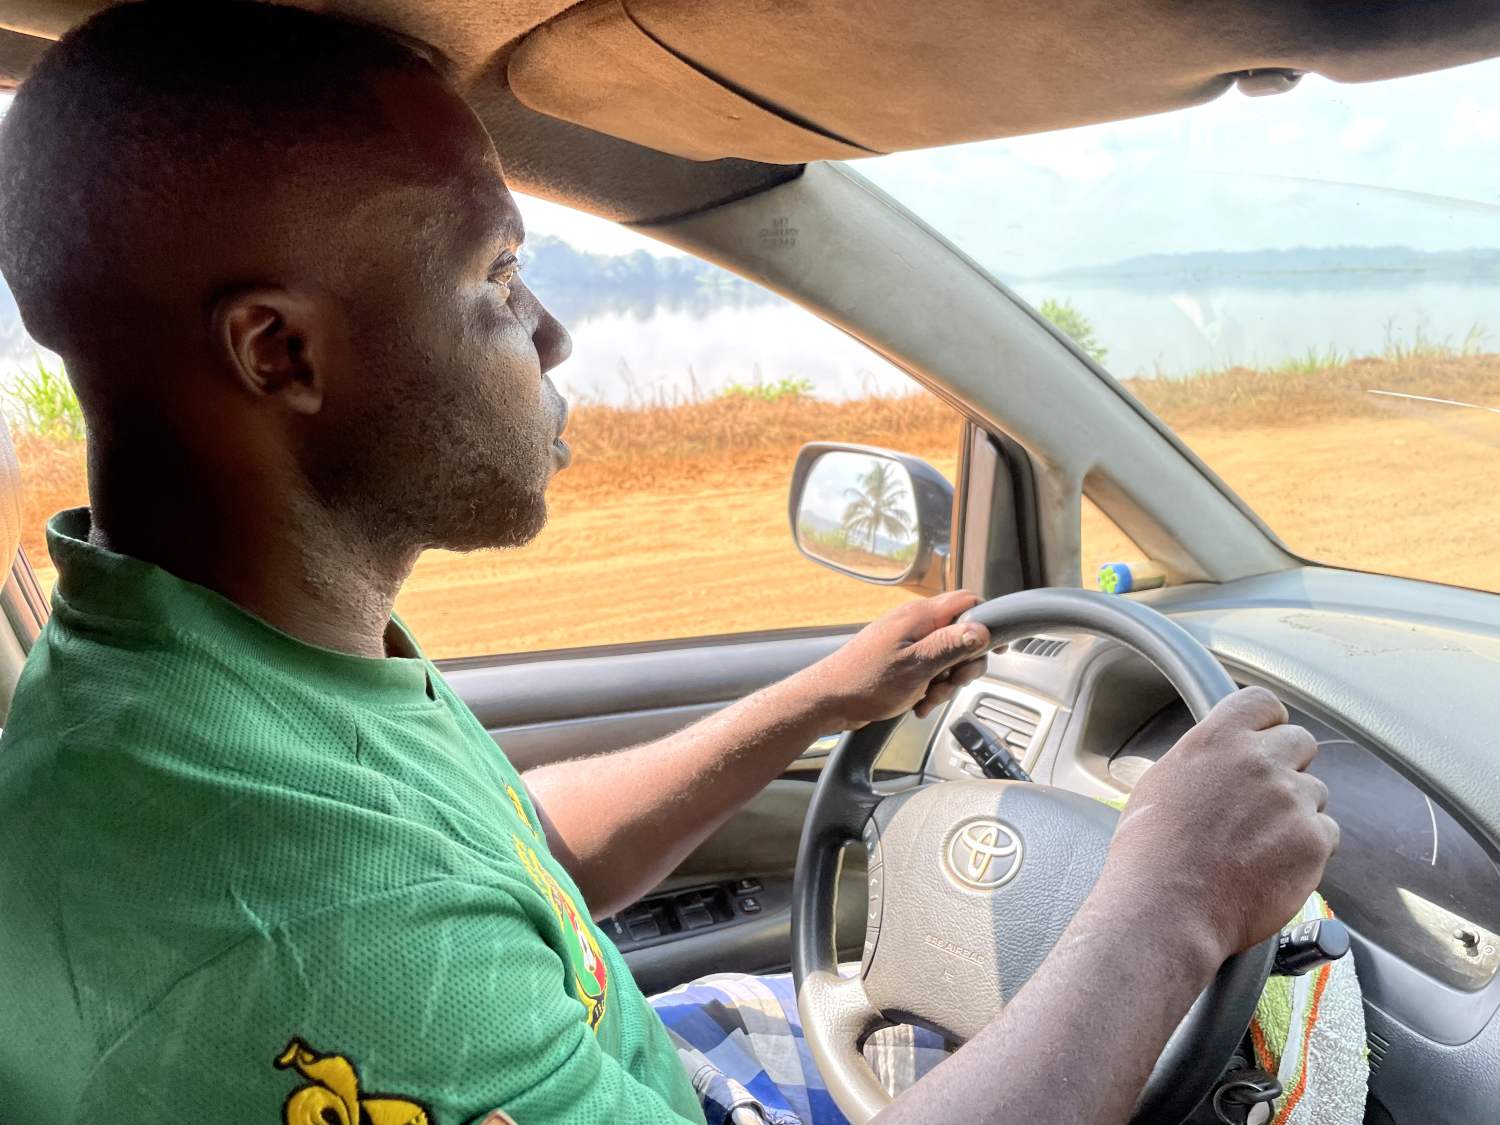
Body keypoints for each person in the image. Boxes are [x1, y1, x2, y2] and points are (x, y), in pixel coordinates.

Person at [0, 3, 1339, 1123]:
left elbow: (520, 858)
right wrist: (1165, 902)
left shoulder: (203, 662)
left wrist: (819, 699)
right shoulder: (305, 930)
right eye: (499, 270)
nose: (555, 333)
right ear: (279, 354)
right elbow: (393, 910)